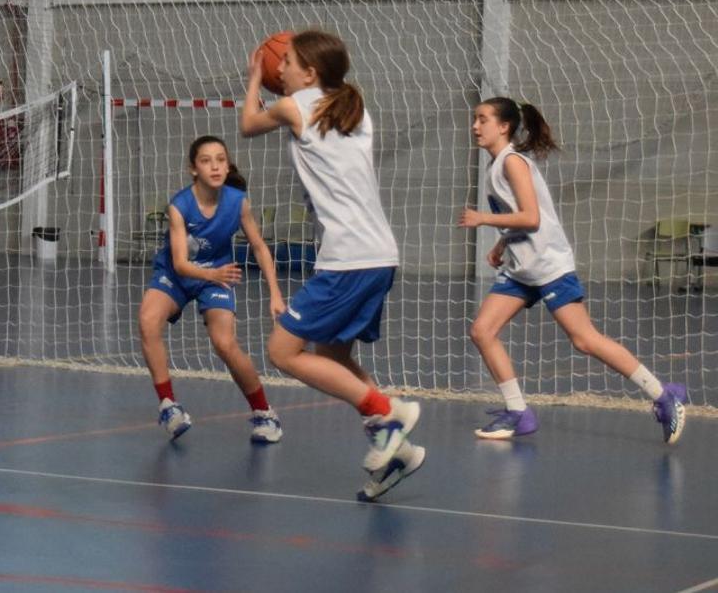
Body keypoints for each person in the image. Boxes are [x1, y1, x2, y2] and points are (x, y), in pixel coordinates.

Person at [240, 29, 424, 498]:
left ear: (308, 72)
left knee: (282, 352)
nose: (279, 69)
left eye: (286, 63)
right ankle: (397, 450)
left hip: (348, 259)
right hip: (378, 254)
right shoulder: (355, 112)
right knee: (334, 356)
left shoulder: (294, 106)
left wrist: (254, 78)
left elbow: (246, 125)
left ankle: (388, 416)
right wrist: (272, 74)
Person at [458, 96, 687, 443]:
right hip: (522, 270)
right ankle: (518, 412)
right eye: (475, 119)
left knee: (585, 339)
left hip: (549, 267)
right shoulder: (497, 166)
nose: (475, 126)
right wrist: (502, 243)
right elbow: (523, 218)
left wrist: (484, 219)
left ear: (504, 126)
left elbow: (532, 217)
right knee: (482, 331)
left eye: (483, 119)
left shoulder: (513, 163)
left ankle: (663, 395)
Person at [138, 135, 286, 443]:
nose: (215, 166)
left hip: (217, 275)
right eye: (206, 161)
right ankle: (169, 407)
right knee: (148, 321)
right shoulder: (179, 206)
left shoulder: (237, 202)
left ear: (227, 164)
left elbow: (259, 247)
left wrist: (275, 293)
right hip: (179, 275)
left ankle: (265, 414)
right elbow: (179, 263)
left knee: (224, 344)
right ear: (193, 169)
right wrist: (212, 273)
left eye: (220, 159)